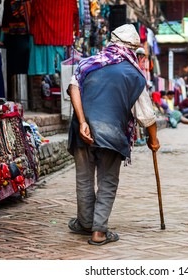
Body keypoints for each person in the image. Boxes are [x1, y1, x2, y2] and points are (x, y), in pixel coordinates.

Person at [66, 24, 160, 246]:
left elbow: (73, 88)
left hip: (82, 131)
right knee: (107, 181)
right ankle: (98, 232)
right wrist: (153, 140)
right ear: (131, 49)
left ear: (111, 42)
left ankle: (85, 223)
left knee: (84, 179)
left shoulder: (87, 63)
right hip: (112, 134)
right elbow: (146, 116)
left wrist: (82, 122)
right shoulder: (135, 75)